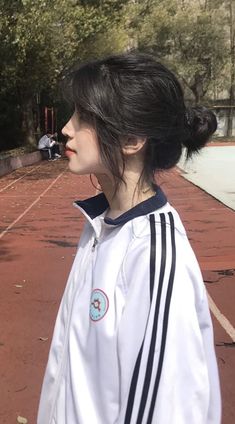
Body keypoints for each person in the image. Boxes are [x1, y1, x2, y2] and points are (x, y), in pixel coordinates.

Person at [37, 53, 221, 424]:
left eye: (85, 117)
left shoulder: (153, 255)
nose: (67, 129)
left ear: (132, 138)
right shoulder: (101, 226)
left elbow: (167, 410)